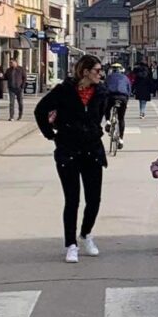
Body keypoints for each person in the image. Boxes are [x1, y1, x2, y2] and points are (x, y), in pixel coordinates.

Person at [34, 55, 110, 263]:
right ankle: (71, 244)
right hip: (68, 150)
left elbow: (101, 115)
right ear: (85, 71)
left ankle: (85, 234)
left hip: (92, 150)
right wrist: (51, 135)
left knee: (94, 199)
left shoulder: (101, 92)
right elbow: (40, 110)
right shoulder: (64, 91)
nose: (100, 74)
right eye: (96, 70)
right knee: (72, 200)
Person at [105, 63, 132, 149]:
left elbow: (104, 88)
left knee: (107, 108)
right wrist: (127, 102)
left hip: (111, 97)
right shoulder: (125, 78)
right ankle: (121, 139)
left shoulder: (109, 77)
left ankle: (108, 122)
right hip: (122, 98)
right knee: (121, 118)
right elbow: (129, 90)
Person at [5, 53, 27, 121]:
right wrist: (1, 76)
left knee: (20, 102)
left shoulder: (21, 69)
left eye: (12, 62)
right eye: (10, 63)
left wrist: (22, 86)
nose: (11, 64)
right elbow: (5, 77)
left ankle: (20, 115)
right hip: (11, 88)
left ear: (15, 62)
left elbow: (24, 78)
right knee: (11, 103)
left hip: (19, 88)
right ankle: (11, 116)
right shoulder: (8, 70)